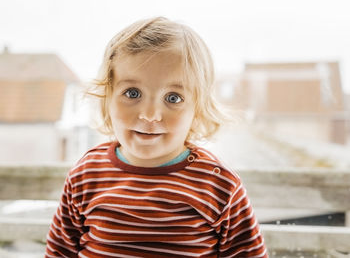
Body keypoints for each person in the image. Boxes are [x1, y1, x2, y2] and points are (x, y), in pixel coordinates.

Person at [45, 16, 268, 258]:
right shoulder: (86, 174)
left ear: (198, 109)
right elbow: (59, 252)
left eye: (173, 98)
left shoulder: (219, 185)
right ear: (108, 96)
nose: (150, 115)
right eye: (132, 93)